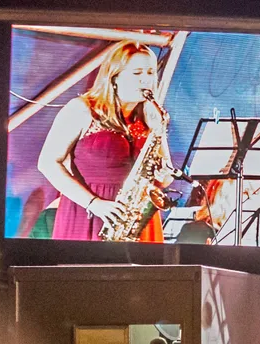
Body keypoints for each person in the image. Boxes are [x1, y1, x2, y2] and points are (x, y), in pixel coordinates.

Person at [38, 40, 172, 242]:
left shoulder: (151, 116)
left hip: (136, 220)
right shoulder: (82, 109)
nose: (146, 80)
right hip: (88, 213)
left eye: (150, 73)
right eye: (137, 73)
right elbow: (47, 163)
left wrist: (158, 133)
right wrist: (93, 203)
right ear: (114, 77)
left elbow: (167, 177)